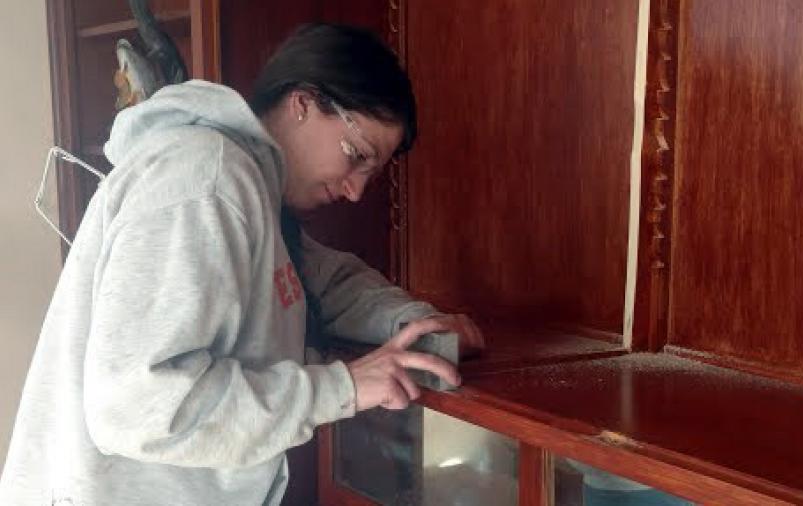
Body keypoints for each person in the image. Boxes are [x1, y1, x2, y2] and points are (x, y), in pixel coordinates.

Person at [0, 23, 484, 505]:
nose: (356, 190)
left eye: (370, 173)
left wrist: (418, 323)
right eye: (357, 155)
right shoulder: (207, 177)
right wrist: (342, 387)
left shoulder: (251, 191)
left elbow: (326, 282)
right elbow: (138, 407)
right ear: (303, 104)